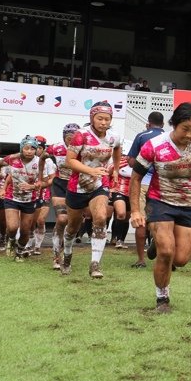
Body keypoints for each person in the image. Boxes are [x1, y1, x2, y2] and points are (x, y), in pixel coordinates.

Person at [129, 103, 191, 313]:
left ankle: (156, 248)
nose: (189, 135)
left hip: (188, 205)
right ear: (174, 125)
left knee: (181, 259)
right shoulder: (154, 145)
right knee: (167, 252)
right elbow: (136, 177)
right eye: (184, 129)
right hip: (160, 202)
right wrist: (135, 210)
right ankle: (162, 300)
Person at [61, 102, 122, 278]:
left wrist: (115, 170)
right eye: (100, 118)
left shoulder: (114, 136)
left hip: (99, 184)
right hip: (77, 185)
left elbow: (117, 150)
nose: (103, 122)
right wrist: (90, 170)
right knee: (72, 226)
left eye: (107, 119)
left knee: (101, 218)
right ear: (92, 118)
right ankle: (67, 254)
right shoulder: (81, 135)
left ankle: (95, 264)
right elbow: (69, 160)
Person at [0, 137, 49, 261]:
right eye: (26, 148)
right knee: (12, 227)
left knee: (25, 230)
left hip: (30, 200)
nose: (29, 151)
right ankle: (11, 239)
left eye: (33, 148)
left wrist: (33, 186)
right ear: (21, 148)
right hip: (12, 197)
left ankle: (19, 251)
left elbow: (44, 182)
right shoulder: (12, 159)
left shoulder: (39, 162)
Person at [126, 112, 166, 268]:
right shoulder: (170, 136)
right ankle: (164, 256)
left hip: (142, 182)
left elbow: (130, 162)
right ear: (163, 125)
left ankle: (141, 260)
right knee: (163, 221)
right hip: (162, 185)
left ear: (148, 124)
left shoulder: (142, 136)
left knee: (140, 221)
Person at [45, 123, 81, 270]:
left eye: (74, 139)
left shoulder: (84, 149)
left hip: (79, 186)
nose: (70, 141)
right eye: (68, 138)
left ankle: (67, 253)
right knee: (61, 219)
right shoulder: (56, 148)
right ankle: (56, 256)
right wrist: (45, 175)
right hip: (60, 184)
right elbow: (42, 157)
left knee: (73, 224)